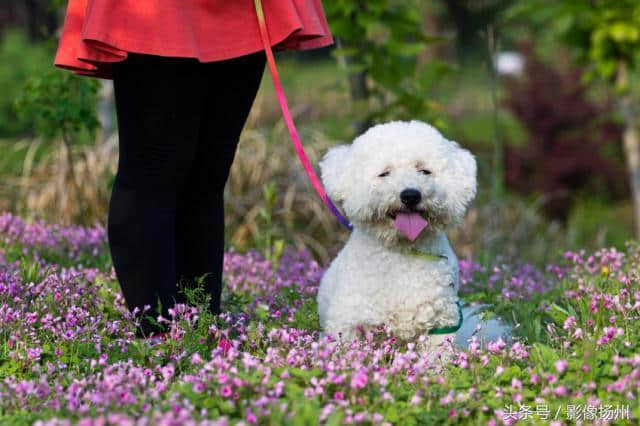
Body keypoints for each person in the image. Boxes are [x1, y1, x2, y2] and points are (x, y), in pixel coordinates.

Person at [54, 0, 333, 337]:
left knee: (208, 174)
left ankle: (201, 330)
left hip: (242, 11)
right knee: (152, 170)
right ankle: (157, 337)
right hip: (158, 10)